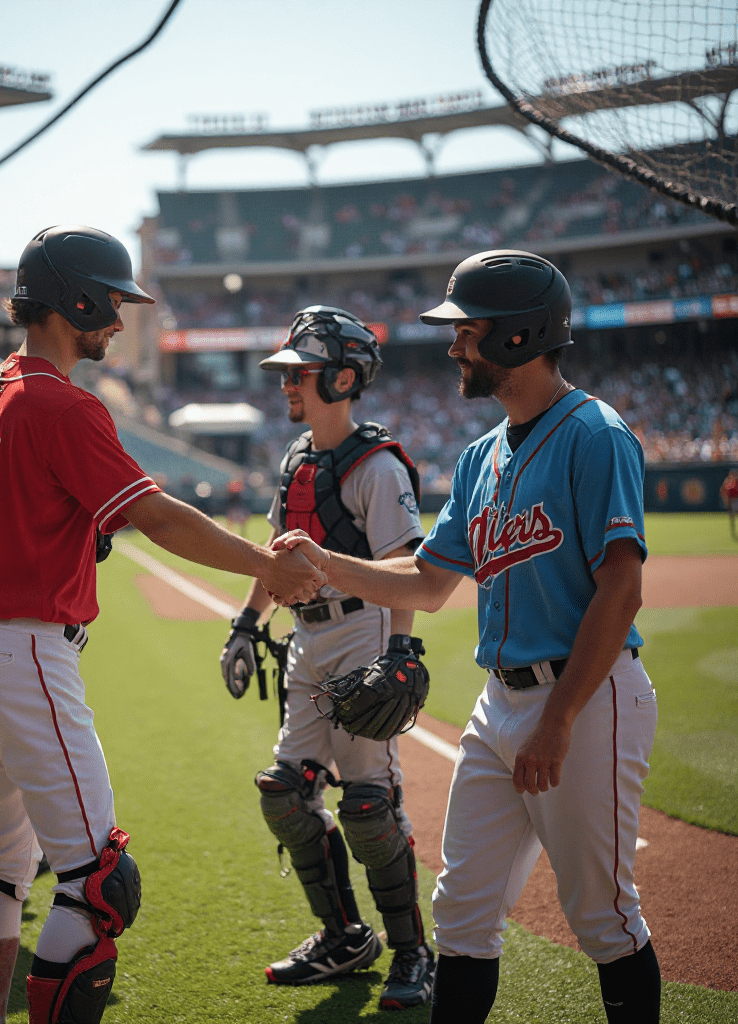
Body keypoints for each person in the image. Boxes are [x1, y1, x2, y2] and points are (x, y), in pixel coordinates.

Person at [0, 225, 325, 1024]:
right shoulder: (65, 403)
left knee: (4, 868)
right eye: (110, 302)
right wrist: (267, 565)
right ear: (73, 299)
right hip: (23, 652)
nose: (117, 320)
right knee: (99, 885)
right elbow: (160, 518)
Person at [277, 250, 662, 1024]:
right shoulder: (482, 456)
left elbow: (621, 589)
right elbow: (426, 581)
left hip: (586, 699)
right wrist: (327, 562)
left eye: (467, 330)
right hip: (499, 703)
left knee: (603, 916)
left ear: (519, 336)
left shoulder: (596, 435)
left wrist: (558, 720)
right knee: (461, 912)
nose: (453, 345)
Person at [219, 306, 435, 1010]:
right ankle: (344, 936)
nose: (287, 384)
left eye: (301, 373)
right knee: (284, 794)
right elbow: (276, 557)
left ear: (343, 379)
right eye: (286, 373)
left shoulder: (378, 466)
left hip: (362, 634)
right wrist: (247, 625)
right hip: (307, 641)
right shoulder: (297, 458)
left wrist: (400, 649)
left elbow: (405, 567)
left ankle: (413, 952)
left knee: (369, 806)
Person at [721, 468, 738, 541]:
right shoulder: (728, 481)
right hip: (732, 500)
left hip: (736, 500)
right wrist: (726, 501)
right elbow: (723, 491)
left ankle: (733, 531)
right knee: (732, 517)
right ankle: (733, 531)